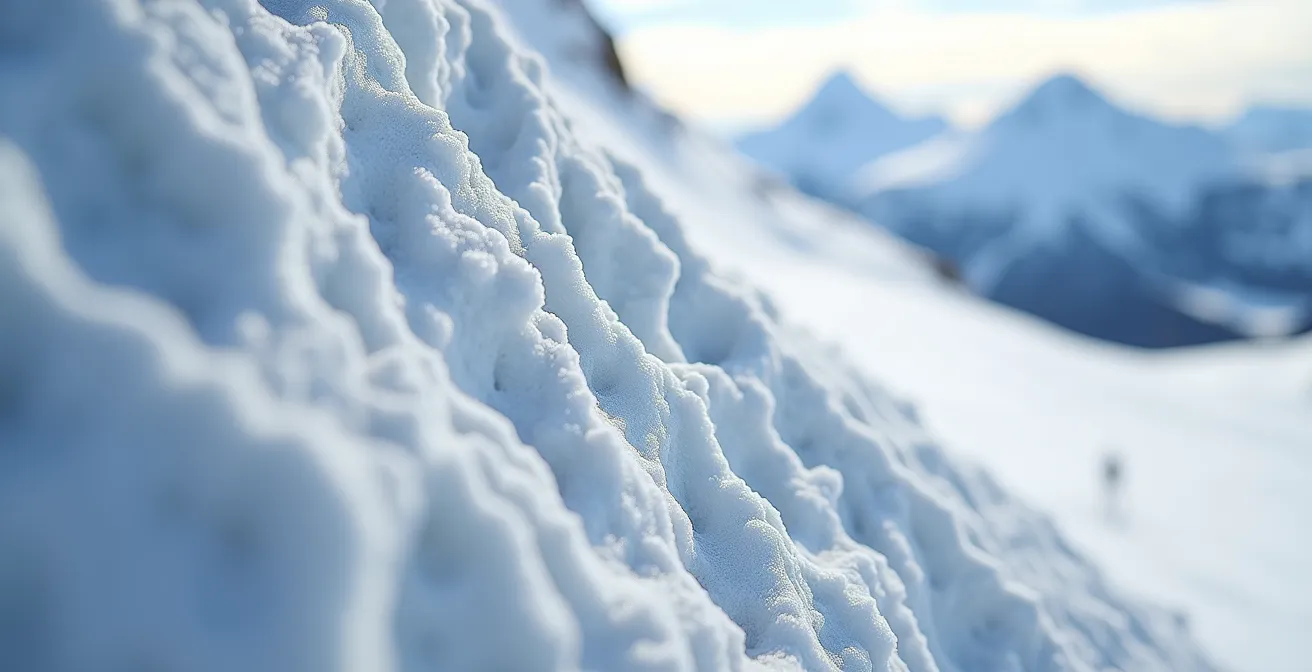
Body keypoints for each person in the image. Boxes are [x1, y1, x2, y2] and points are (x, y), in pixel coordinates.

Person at [1102, 451, 1124, 522]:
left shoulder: (1114, 469)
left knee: (1112, 499)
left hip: (1113, 486)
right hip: (1110, 485)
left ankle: (1111, 515)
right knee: (1109, 499)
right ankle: (1108, 514)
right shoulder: (1111, 469)